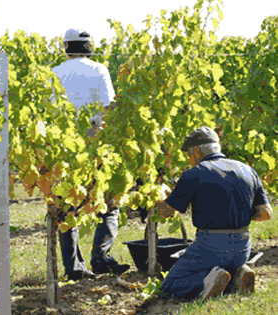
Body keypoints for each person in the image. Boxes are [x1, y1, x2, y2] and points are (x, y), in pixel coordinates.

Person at [156, 126, 273, 301]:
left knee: (171, 284)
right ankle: (237, 275)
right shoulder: (247, 170)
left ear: (195, 151)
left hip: (210, 246)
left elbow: (166, 212)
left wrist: (159, 195)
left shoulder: (194, 173)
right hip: (243, 247)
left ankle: (208, 281)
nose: (189, 159)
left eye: (189, 154)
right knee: (223, 267)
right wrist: (235, 217)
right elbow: (266, 213)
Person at [50, 28, 130, 281]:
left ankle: (73, 268)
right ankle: (101, 259)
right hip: (95, 143)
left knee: (67, 207)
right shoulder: (99, 70)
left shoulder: (54, 73)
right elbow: (108, 109)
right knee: (109, 203)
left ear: (65, 47)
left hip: (62, 146)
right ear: (89, 47)